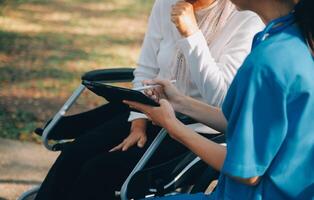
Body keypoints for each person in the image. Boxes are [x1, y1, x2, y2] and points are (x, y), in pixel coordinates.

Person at [34, 0, 264, 199]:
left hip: (199, 129)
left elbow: (221, 98)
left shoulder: (245, 16)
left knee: (99, 170)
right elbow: (145, 69)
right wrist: (138, 122)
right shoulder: (166, 4)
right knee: (75, 153)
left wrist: (191, 35)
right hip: (149, 111)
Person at [124, 0, 314, 199]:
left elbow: (248, 173)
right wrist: (181, 102)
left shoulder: (268, 61)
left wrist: (173, 126)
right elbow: (247, 122)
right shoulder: (295, 37)